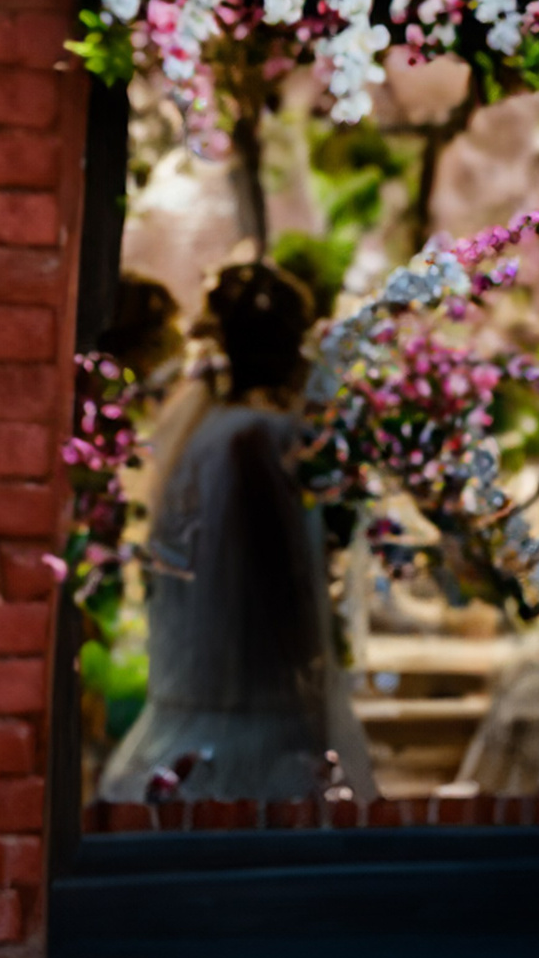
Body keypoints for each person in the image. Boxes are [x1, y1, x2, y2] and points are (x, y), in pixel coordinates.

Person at [98, 261, 377, 806]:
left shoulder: (202, 432)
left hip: (204, 705)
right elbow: (276, 582)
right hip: (251, 718)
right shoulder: (257, 439)